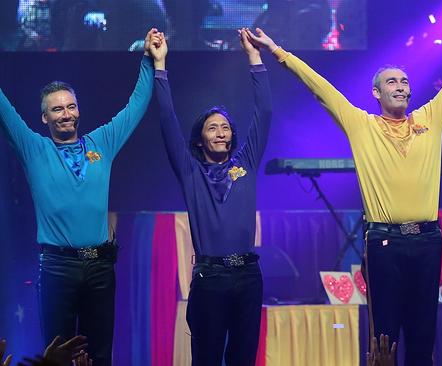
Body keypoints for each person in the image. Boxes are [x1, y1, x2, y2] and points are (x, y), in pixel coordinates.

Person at [245, 0, 442, 363]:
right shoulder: (362, 125)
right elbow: (320, 87)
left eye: (404, 81)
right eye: (391, 81)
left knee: (423, 336)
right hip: (384, 243)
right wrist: (278, 52)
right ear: (377, 93)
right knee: (385, 340)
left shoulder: (431, 118)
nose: (401, 85)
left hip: (427, 240)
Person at [0, 28, 160, 366]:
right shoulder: (34, 148)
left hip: (100, 267)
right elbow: (4, 109)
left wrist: (149, 59)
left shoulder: (101, 142)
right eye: (57, 109)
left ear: (79, 111)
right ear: (45, 117)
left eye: (71, 106)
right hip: (57, 267)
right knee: (57, 355)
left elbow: (135, 107)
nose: (66, 114)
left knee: (100, 354)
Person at [153, 28, 272, 365]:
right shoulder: (191, 172)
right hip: (210, 279)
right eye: (212, 128)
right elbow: (166, 121)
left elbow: (263, 114)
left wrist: (254, 57)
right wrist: (160, 67)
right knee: (205, 358)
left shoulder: (245, 163)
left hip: (248, 276)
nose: (221, 132)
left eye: (226, 127)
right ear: (200, 139)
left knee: (243, 358)